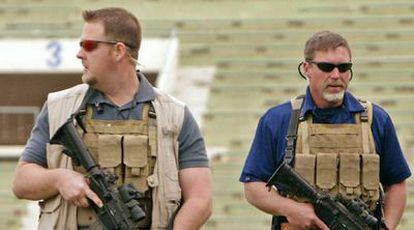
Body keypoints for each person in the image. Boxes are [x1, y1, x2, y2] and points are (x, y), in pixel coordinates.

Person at [12, 7, 212, 229]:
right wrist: (60, 179)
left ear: (119, 51)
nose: (79, 54)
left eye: (88, 45)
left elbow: (200, 200)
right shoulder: (59, 107)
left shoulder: (175, 115)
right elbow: (22, 182)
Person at [239, 31, 411, 230]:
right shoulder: (279, 120)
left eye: (344, 67)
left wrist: (386, 227)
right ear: (306, 68)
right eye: (326, 67)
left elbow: (396, 184)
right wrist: (291, 209)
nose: (336, 75)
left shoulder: (376, 119)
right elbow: (253, 186)